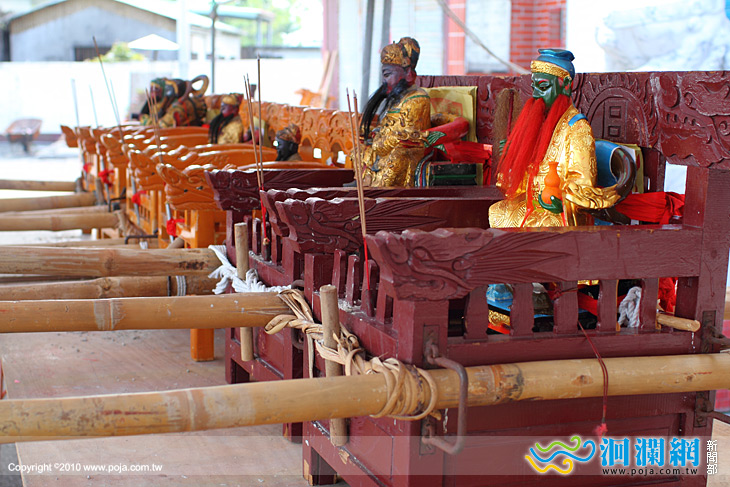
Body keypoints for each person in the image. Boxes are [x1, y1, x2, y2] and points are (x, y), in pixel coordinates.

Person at [488, 49, 621, 229]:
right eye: (534, 88)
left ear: (566, 85)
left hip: (559, 211)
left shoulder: (577, 128)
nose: (536, 95)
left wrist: (562, 201)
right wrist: (511, 162)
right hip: (532, 204)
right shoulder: (539, 124)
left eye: (543, 88)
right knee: (498, 212)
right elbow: (522, 185)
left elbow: (583, 184)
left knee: (543, 224)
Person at [358, 37, 431, 187]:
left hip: (404, 153)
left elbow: (406, 135)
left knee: (397, 157)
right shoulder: (398, 98)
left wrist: (379, 143)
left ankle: (379, 187)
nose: (384, 81)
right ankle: (364, 184)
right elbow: (387, 126)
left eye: (387, 75)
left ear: (407, 73)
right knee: (358, 150)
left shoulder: (417, 98)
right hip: (384, 149)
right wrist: (373, 133)